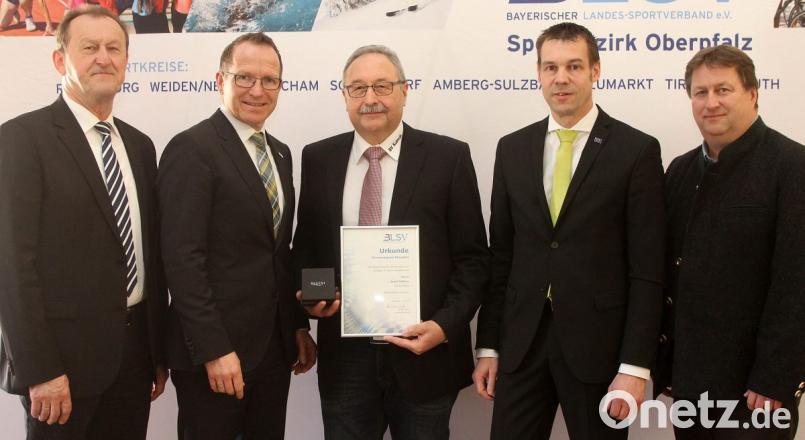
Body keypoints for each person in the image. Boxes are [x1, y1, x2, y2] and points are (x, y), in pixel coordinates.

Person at [472, 21, 666, 439]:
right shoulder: (512, 148)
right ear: (539, 73)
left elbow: (648, 269)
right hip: (522, 346)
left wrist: (634, 366)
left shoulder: (637, 150)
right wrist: (488, 346)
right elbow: (501, 256)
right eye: (551, 67)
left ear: (595, 71)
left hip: (599, 349)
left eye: (574, 66)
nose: (561, 78)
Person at [292, 44, 489, 440]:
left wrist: (444, 325)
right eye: (358, 88)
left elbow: (473, 258)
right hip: (346, 359)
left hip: (425, 353)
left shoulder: (447, 157)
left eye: (382, 86)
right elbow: (310, 246)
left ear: (404, 90)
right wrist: (316, 298)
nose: (370, 99)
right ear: (344, 95)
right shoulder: (319, 158)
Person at [0, 6, 168, 439]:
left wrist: (155, 353)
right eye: (89, 48)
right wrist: (40, 370)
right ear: (60, 60)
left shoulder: (140, 146)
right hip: (61, 372)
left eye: (114, 48)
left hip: (133, 363)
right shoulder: (21, 140)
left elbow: (148, 253)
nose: (104, 58)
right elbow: (12, 268)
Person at [158, 32, 315, 440]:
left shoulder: (279, 152)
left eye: (270, 80)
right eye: (244, 77)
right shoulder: (192, 148)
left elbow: (278, 252)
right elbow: (182, 259)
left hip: (272, 351)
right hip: (215, 355)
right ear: (219, 80)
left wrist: (297, 325)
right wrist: (214, 349)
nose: (257, 90)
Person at [656, 44, 805, 439]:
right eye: (700, 93)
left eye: (724, 90)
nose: (711, 103)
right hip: (690, 384)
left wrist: (776, 378)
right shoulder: (681, 171)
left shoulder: (793, 166)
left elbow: (797, 285)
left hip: (757, 391)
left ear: (753, 93)